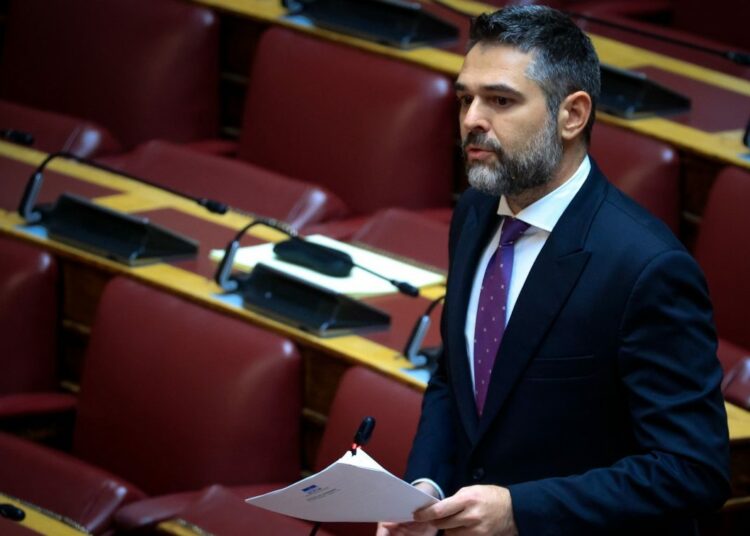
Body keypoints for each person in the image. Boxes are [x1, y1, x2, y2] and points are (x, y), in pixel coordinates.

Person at [377, 5, 730, 535]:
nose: (472, 119)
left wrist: (522, 511)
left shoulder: (646, 268)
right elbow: (456, 378)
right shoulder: (475, 212)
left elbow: (692, 470)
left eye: (500, 100)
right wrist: (425, 490)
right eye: (466, 98)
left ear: (572, 115)